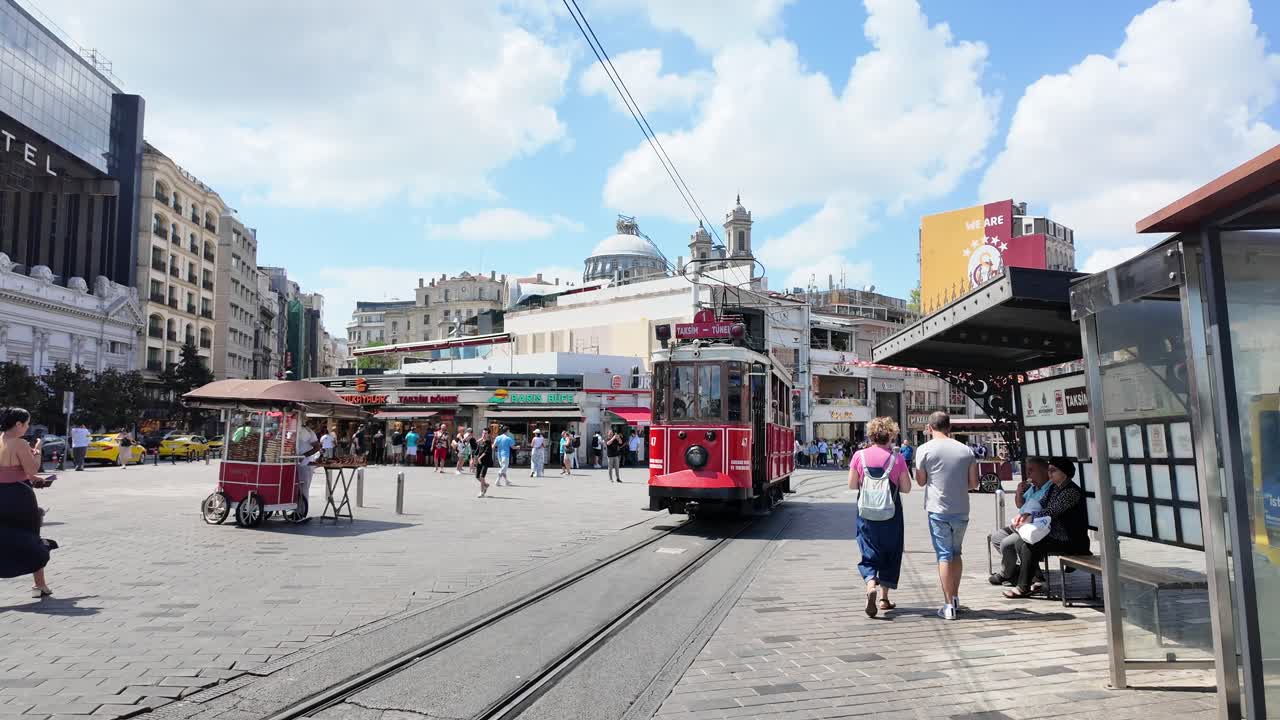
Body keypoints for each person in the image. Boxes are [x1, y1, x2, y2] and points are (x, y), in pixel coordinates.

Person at [914, 411, 978, 620]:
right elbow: (974, 483)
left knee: (944, 555)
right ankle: (956, 596)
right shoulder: (965, 450)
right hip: (961, 509)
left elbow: (921, 482)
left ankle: (948, 604)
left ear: (930, 428)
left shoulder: (924, 450)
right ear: (949, 428)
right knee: (957, 552)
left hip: (938, 510)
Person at [849, 417, 912, 618]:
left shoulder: (859, 456)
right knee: (890, 551)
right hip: (891, 513)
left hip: (866, 513)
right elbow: (907, 488)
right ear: (891, 435)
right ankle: (884, 598)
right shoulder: (898, 458)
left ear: (871, 435)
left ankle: (870, 585)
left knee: (868, 550)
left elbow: (852, 484)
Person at [1003, 458, 1090, 598]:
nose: (1049, 474)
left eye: (1053, 470)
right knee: (1020, 542)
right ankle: (1037, 580)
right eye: (1049, 470)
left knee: (1029, 545)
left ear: (1065, 473)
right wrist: (1026, 514)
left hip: (1070, 539)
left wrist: (1030, 517)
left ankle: (1023, 587)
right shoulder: (1054, 488)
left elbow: (1051, 511)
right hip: (1055, 534)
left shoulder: (1071, 492)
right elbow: (1040, 504)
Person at [0, 408, 57, 598]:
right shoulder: (20, 443)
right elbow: (32, 471)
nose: (27, 427)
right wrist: (37, 451)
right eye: (26, 423)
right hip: (19, 496)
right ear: (18, 424)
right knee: (31, 537)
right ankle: (38, 585)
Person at [989, 457, 1054, 586]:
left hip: (1033, 526)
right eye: (1027, 471)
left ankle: (1007, 573)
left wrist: (1028, 516)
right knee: (997, 537)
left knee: (1007, 543)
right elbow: (1020, 504)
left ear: (1044, 471)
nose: (1028, 474)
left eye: (1031, 470)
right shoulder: (1033, 487)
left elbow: (1045, 511)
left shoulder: (1049, 488)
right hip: (1020, 524)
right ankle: (1017, 569)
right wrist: (1019, 492)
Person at [293, 420, 322, 521]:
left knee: (303, 488)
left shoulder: (308, 432)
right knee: (295, 488)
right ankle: (295, 509)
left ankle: (301, 512)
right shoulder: (293, 430)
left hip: (305, 463)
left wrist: (304, 455)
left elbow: (317, 446)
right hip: (293, 462)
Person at [473, 428, 493, 497]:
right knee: (477, 477)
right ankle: (486, 485)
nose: (484, 434)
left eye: (485, 433)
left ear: (488, 434)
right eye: (483, 433)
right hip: (479, 462)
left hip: (485, 462)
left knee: (482, 476)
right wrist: (474, 460)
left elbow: (486, 452)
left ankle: (482, 492)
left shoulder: (488, 442)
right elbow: (477, 451)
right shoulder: (481, 442)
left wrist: (479, 458)